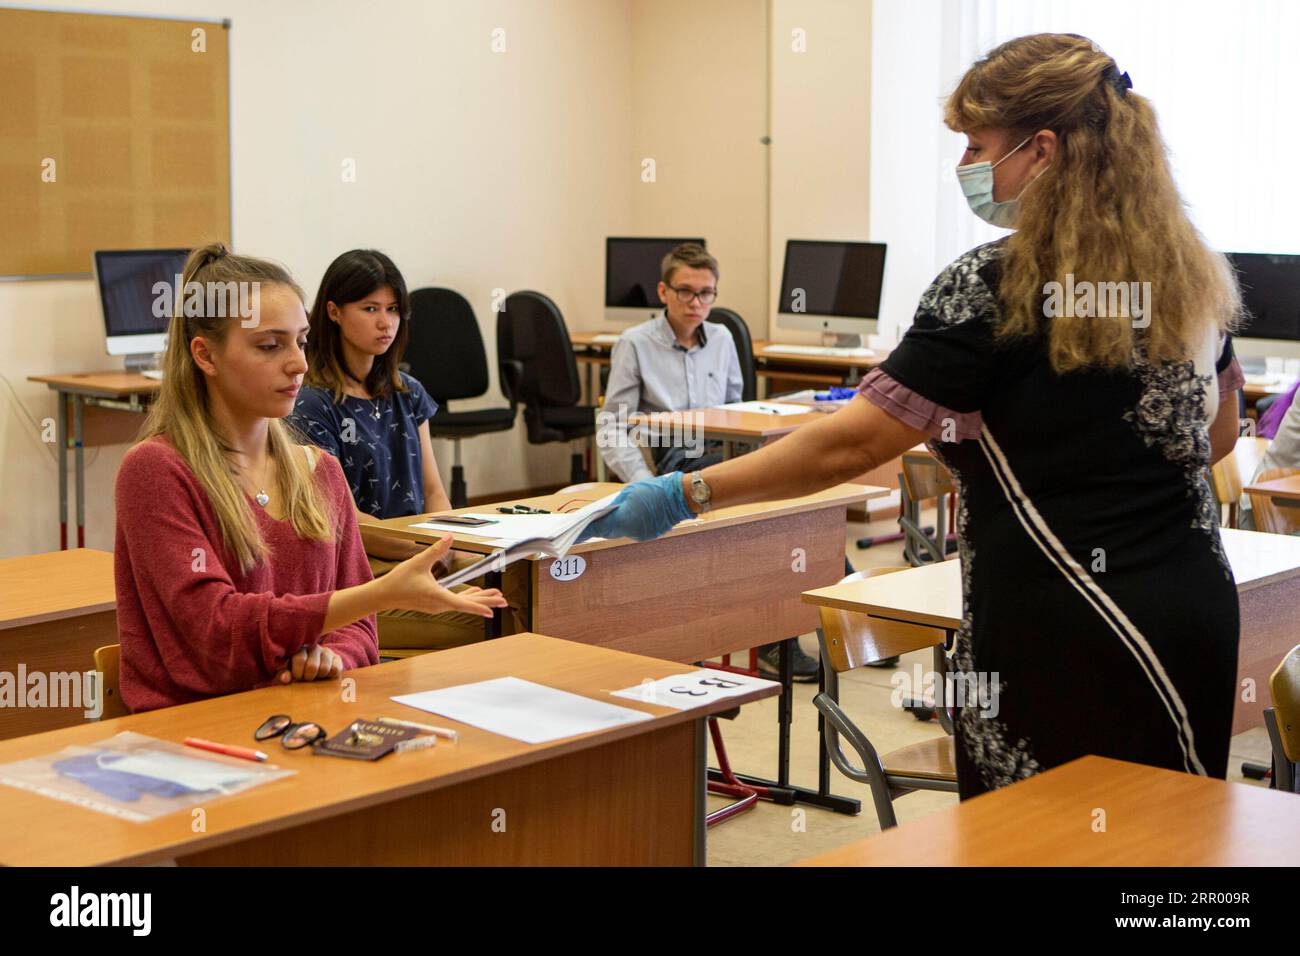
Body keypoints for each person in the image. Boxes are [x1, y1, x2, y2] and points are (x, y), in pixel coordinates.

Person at [580, 34, 1244, 798]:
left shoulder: (994, 285)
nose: (967, 164)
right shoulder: (1185, 275)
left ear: (1044, 149)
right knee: (1162, 845)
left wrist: (683, 496)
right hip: (1188, 611)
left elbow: (851, 445)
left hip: (1059, 621)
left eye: (977, 144)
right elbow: (1217, 433)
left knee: (1035, 841)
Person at [115, 243, 505, 712]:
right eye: (269, 345)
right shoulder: (157, 471)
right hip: (197, 735)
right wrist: (378, 594)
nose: (299, 363)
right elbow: (215, 636)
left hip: (305, 715)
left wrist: (331, 657)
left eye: (300, 341)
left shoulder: (320, 471)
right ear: (205, 355)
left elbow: (361, 635)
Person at [596, 243, 818, 680]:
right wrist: (645, 486)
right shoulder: (634, 344)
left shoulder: (722, 338)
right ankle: (776, 638)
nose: (697, 303)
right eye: (686, 292)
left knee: (798, 495)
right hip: (675, 456)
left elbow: (737, 408)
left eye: (707, 293)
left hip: (726, 447)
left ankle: (849, 613)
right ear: (663, 291)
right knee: (758, 506)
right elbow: (611, 425)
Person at [289, 250, 525, 650]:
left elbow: (433, 491)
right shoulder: (311, 403)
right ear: (333, 311)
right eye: (370, 309)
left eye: (394, 309)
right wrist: (426, 550)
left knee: (527, 579)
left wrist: (446, 543)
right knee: (494, 614)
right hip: (364, 566)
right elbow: (346, 522)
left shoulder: (408, 390)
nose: (386, 323)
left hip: (422, 550)